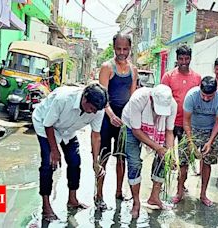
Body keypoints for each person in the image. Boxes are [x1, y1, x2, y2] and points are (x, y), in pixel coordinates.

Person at [32, 83, 108, 221]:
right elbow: (48, 124)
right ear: (84, 99)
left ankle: (72, 199)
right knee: (48, 164)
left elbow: (96, 135)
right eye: (91, 108)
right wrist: (54, 151)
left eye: (96, 110)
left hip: (68, 130)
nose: (93, 112)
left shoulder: (98, 110)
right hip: (45, 125)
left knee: (74, 161)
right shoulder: (63, 99)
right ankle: (46, 207)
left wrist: (95, 162)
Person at [121, 84, 177, 218]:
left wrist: (169, 153)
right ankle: (136, 202)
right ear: (151, 99)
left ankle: (154, 197)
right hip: (131, 127)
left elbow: (169, 131)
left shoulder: (172, 105)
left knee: (164, 159)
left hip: (157, 130)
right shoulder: (139, 99)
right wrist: (157, 148)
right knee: (134, 163)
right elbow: (136, 130)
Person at [96, 33, 138, 209]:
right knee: (103, 158)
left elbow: (133, 97)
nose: (122, 52)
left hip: (123, 120)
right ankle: (98, 195)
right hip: (107, 119)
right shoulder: (107, 67)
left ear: (130, 48)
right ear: (114, 48)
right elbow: (101, 96)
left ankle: (119, 192)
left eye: (125, 49)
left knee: (121, 158)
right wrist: (111, 115)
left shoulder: (133, 70)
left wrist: (130, 119)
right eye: (119, 49)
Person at [174, 76, 218, 206]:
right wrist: (191, 143)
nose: (206, 99)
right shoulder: (191, 95)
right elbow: (186, 121)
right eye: (203, 95)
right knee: (183, 162)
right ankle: (179, 192)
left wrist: (210, 142)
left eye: (210, 97)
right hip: (191, 129)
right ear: (200, 90)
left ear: (215, 91)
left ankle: (203, 194)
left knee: (207, 163)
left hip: (210, 131)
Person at [161, 44, 201, 197]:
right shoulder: (168, 76)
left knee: (184, 158)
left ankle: (181, 185)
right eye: (181, 59)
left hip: (188, 125)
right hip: (170, 124)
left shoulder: (197, 77)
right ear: (176, 59)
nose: (184, 61)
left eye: (186, 58)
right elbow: (162, 99)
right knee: (167, 156)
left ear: (190, 58)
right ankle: (163, 183)